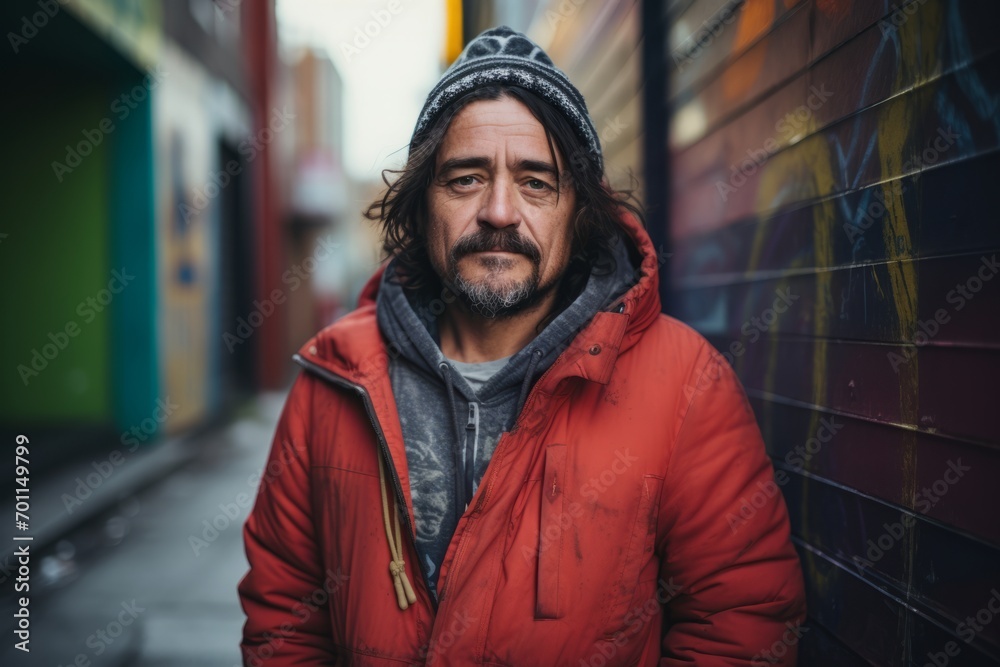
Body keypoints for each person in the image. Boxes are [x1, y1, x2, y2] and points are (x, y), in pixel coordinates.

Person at [238, 26, 806, 666]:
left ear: (578, 210)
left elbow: (739, 625)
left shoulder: (686, 385)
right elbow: (283, 615)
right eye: (465, 179)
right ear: (422, 205)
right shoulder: (333, 383)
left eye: (536, 182)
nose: (500, 211)